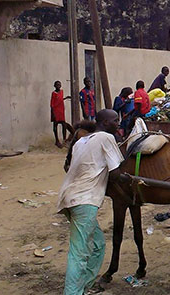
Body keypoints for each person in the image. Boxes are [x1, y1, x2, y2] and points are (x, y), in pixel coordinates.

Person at [57, 109, 128, 295]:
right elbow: (115, 173)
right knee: (79, 253)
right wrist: (130, 179)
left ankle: (82, 287)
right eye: (115, 120)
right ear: (104, 123)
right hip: (84, 200)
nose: (118, 123)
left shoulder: (81, 141)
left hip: (68, 196)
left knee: (97, 246)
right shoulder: (106, 137)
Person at [51, 81, 72, 148]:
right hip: (56, 110)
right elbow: (52, 103)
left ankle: (64, 139)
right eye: (57, 85)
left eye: (59, 84)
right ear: (54, 86)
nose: (58, 86)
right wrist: (53, 113)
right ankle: (57, 140)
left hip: (61, 110)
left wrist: (65, 98)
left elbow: (59, 100)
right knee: (55, 125)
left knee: (64, 124)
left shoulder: (61, 92)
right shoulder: (54, 93)